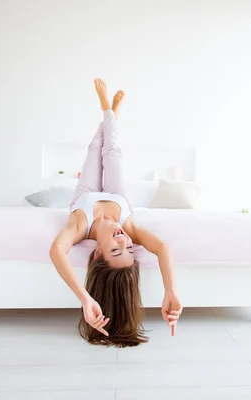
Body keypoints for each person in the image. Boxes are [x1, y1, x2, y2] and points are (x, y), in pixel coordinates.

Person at [49, 79, 183, 347]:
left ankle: (108, 112)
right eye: (130, 250)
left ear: (97, 252)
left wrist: (85, 298)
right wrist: (170, 291)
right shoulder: (129, 227)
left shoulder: (78, 228)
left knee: (95, 148)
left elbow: (56, 251)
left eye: (116, 250)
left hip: (85, 194)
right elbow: (163, 248)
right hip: (118, 196)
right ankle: (111, 114)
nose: (124, 241)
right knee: (112, 151)